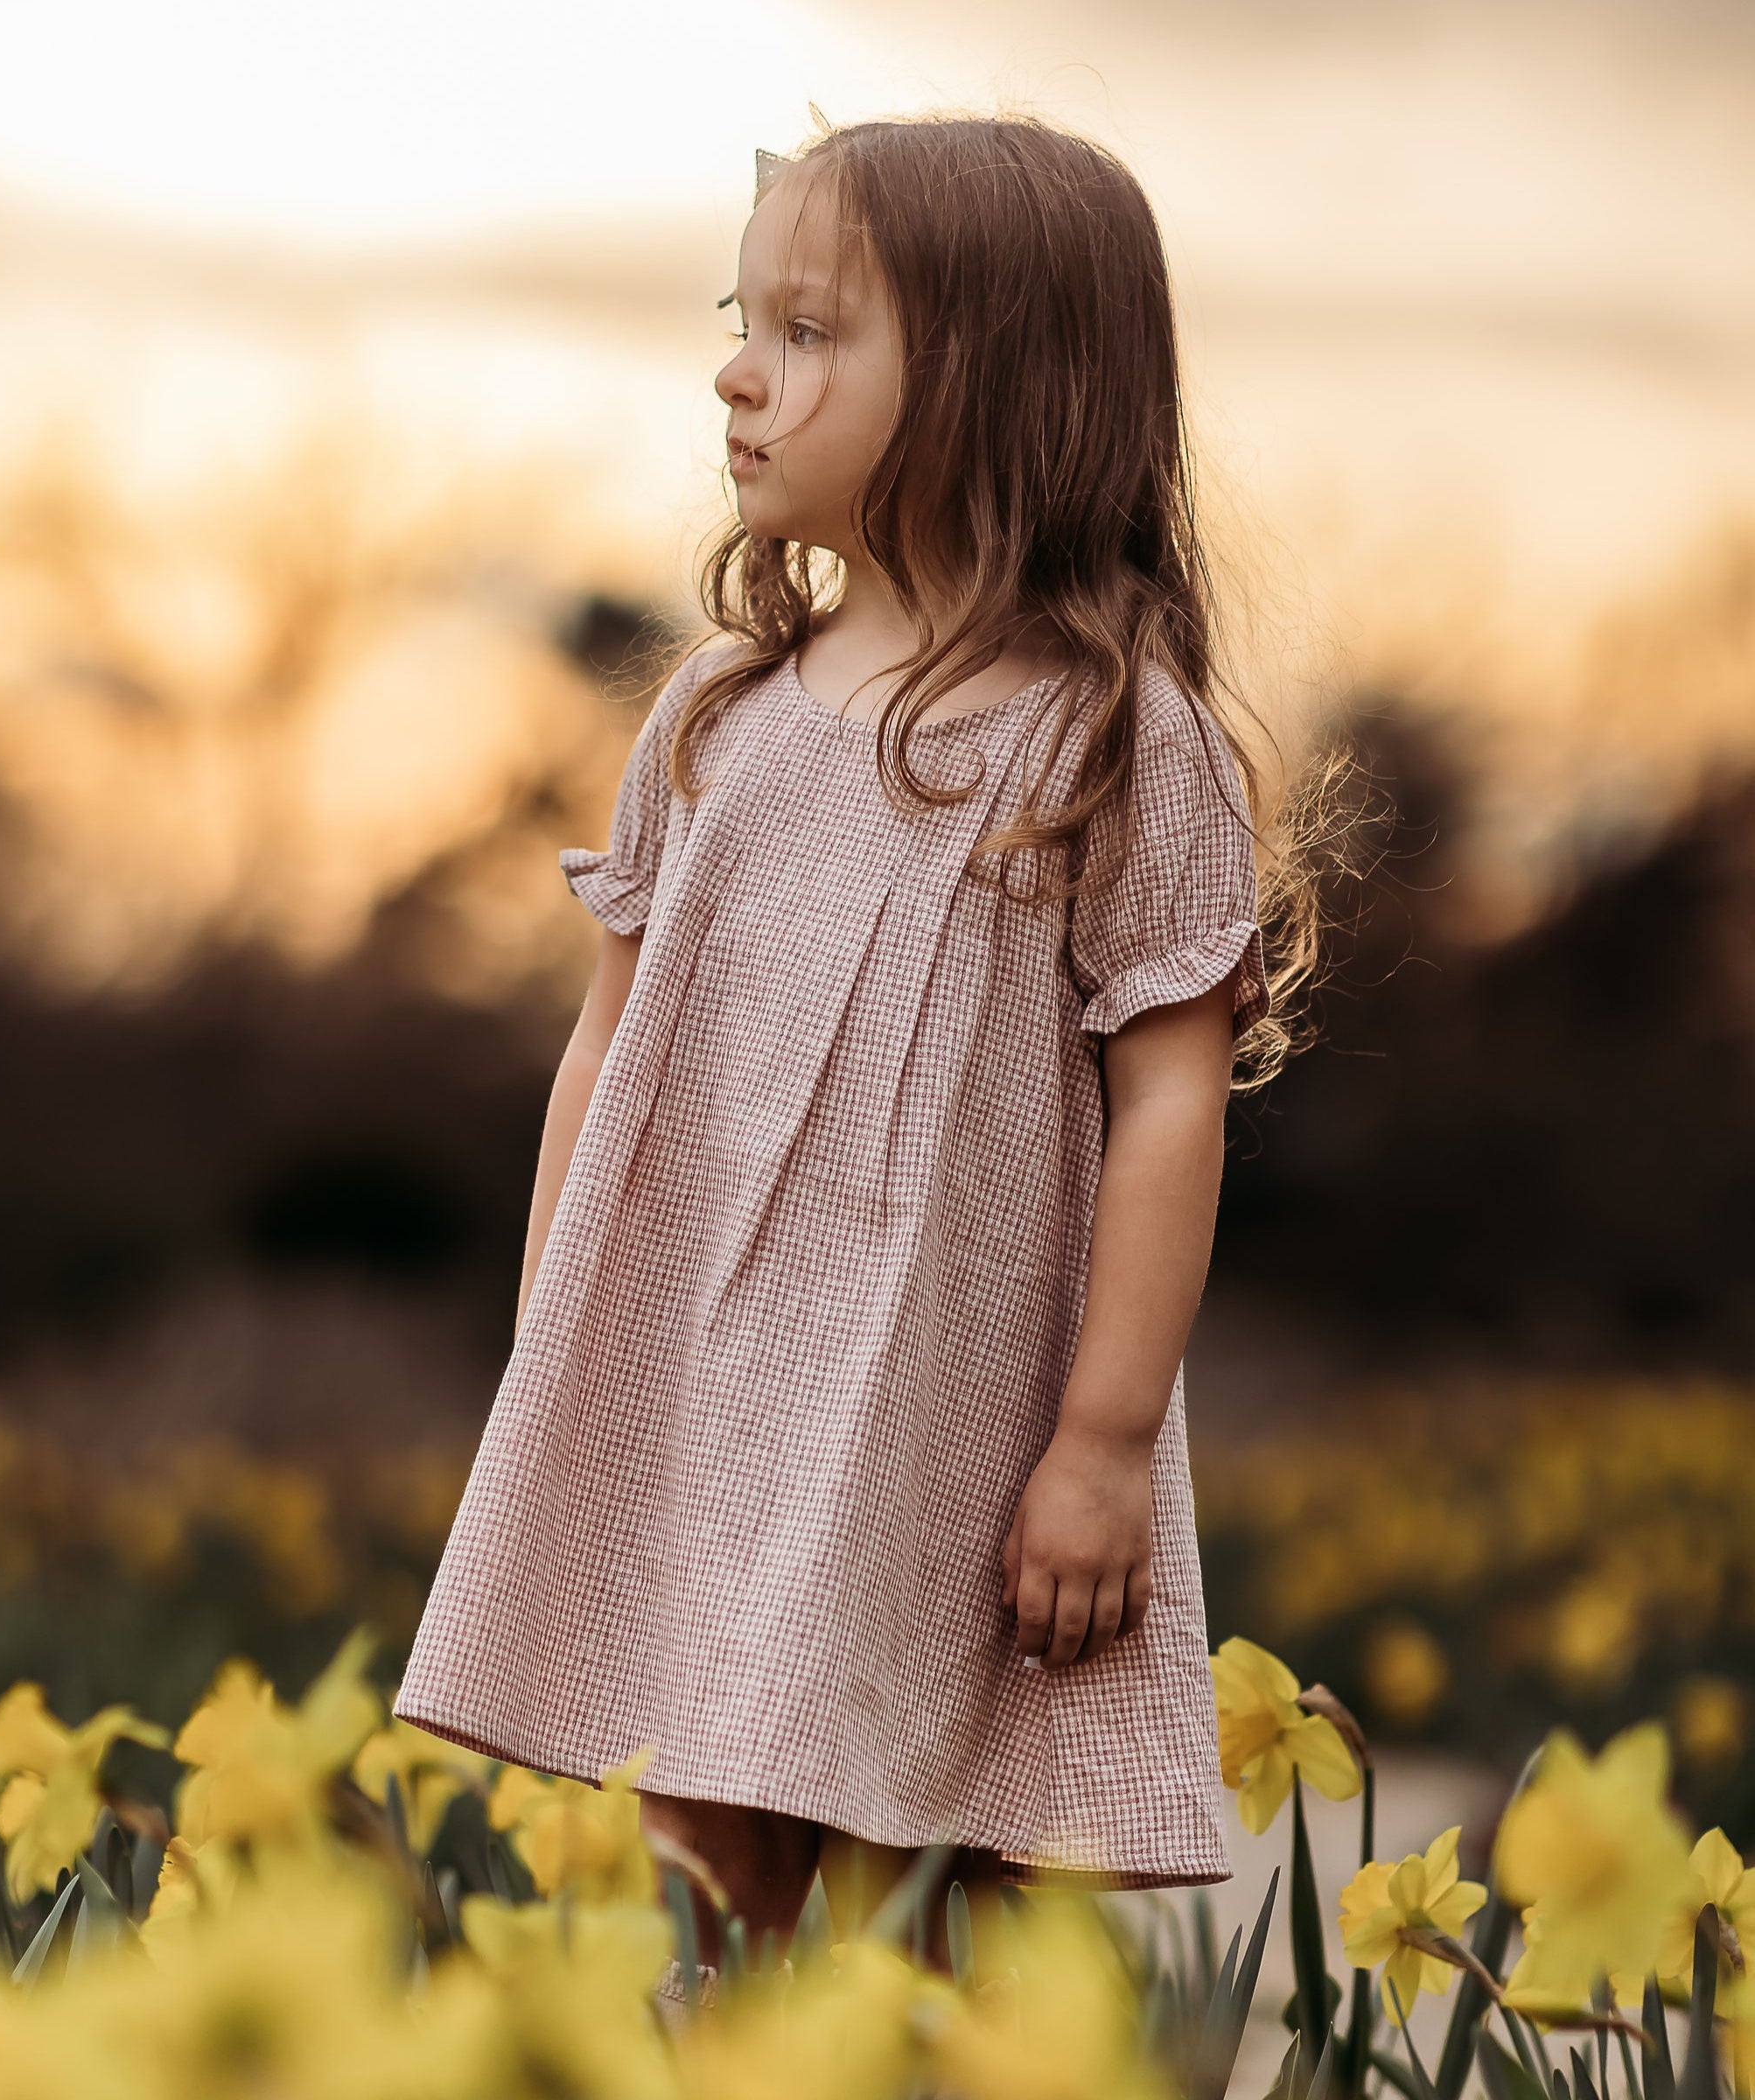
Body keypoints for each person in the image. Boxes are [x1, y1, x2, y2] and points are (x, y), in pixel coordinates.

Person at [393, 113, 1318, 1982]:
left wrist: (1105, 1444)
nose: (738, 371)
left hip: (957, 1434)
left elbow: (1167, 1108)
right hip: (712, 1392)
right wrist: (553, 1342)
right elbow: (606, 1050)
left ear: (999, 386)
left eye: (811, 333)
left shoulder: (1117, 742)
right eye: (746, 319)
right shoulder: (716, 724)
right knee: (709, 1886)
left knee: (953, 1906)